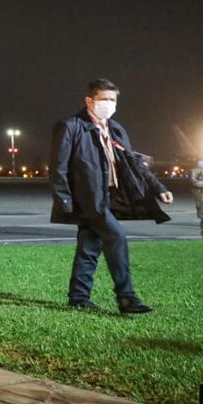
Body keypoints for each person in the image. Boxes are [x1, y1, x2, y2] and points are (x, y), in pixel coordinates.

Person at [50, 79, 173, 313]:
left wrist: (158, 188)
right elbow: (58, 168)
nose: (108, 104)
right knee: (116, 236)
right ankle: (126, 297)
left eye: (112, 100)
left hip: (111, 197)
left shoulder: (116, 130)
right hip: (88, 200)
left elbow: (135, 163)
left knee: (89, 246)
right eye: (103, 99)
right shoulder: (71, 127)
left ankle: (78, 297)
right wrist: (64, 199)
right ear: (89, 100)